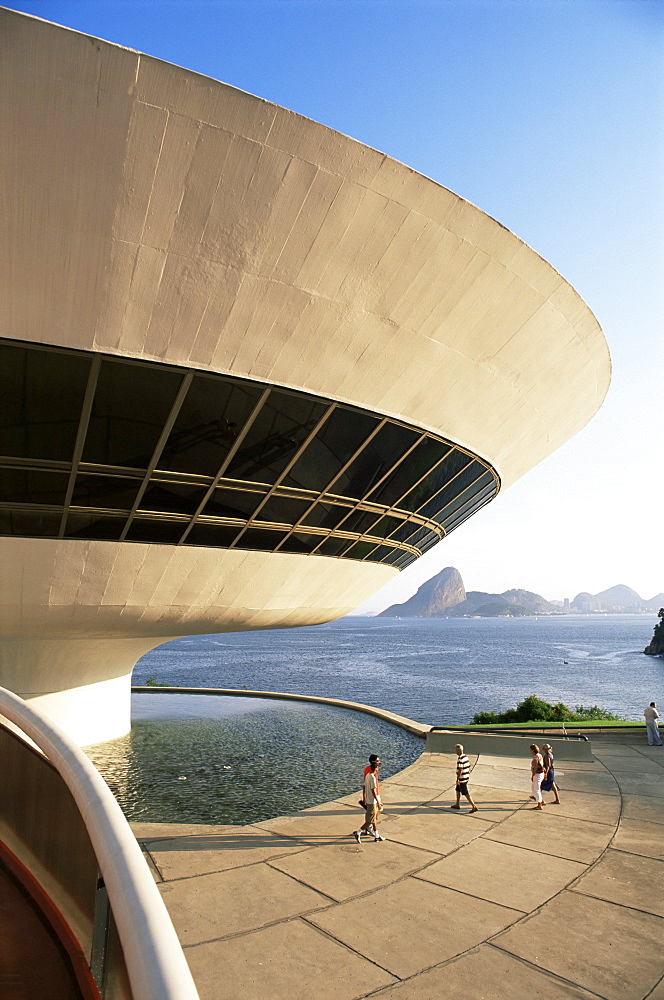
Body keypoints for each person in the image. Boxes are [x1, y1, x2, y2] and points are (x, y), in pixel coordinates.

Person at [353, 759, 385, 843]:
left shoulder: (367, 776)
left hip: (369, 800)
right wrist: (378, 803)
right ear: (376, 768)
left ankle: (377, 836)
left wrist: (364, 798)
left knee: (373, 819)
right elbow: (373, 791)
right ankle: (358, 832)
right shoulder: (373, 778)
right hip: (372, 802)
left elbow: (365, 787)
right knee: (370, 821)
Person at [451, 743, 478, 812]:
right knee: (457, 790)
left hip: (462, 779)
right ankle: (457, 804)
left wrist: (458, 779)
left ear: (458, 751)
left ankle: (474, 806)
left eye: (455, 750)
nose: (455, 751)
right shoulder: (465, 757)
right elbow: (468, 767)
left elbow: (460, 770)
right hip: (466, 777)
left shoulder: (460, 759)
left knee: (466, 793)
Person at [530, 744, 545, 809]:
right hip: (541, 774)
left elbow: (535, 767)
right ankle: (541, 800)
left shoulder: (536, 757)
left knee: (536, 789)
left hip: (537, 774)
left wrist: (533, 774)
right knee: (534, 788)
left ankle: (539, 804)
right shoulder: (539, 755)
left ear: (533, 750)